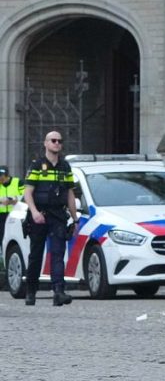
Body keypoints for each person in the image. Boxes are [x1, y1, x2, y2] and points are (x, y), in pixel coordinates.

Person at [22, 131, 78, 307]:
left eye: (60, 141)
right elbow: (28, 192)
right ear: (45, 143)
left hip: (58, 216)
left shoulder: (65, 167)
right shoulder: (37, 165)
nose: (57, 143)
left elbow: (70, 194)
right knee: (36, 255)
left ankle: (58, 292)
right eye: (53, 140)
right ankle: (31, 291)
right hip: (39, 215)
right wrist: (34, 212)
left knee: (58, 253)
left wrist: (75, 219)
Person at [0, 165, 25, 246]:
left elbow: (25, 198)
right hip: (1, 215)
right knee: (1, 236)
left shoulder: (18, 182)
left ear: (6, 176)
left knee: (15, 236)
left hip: (15, 214)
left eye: (1, 176)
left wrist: (11, 201)